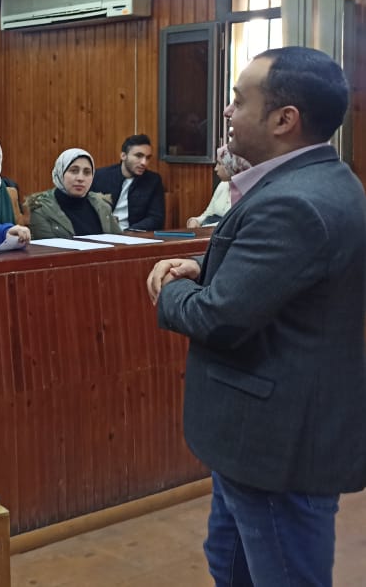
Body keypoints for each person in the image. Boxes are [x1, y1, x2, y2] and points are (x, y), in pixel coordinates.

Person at [146, 47, 366, 586]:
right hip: (266, 434)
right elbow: (285, 275)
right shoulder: (323, 179)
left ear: (284, 119)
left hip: (277, 443)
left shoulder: (294, 202)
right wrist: (203, 266)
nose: (226, 111)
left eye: (239, 100)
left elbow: (219, 318)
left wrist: (169, 290)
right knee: (230, 561)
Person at [27, 149, 121, 239]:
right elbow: (48, 248)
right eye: (74, 171)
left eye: (87, 172)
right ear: (60, 172)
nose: (80, 178)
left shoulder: (102, 205)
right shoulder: (41, 208)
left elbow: (119, 242)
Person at [91, 134, 165, 230]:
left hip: (133, 233)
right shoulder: (100, 176)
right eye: (139, 156)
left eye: (147, 158)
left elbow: (156, 218)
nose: (144, 162)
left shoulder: (152, 180)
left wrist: (129, 232)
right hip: (101, 232)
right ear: (123, 156)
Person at [186, 145, 251, 228]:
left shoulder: (248, 191)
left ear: (232, 165)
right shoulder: (223, 185)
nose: (215, 169)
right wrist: (195, 220)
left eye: (220, 164)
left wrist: (205, 228)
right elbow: (208, 214)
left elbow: (233, 225)